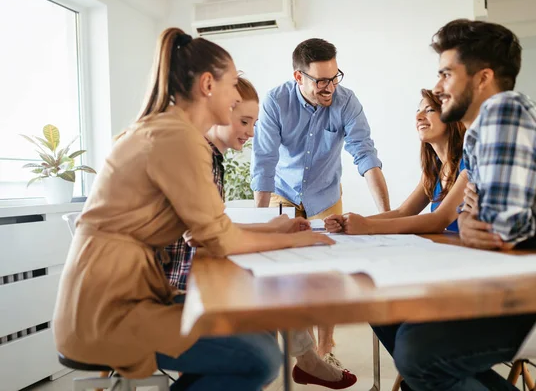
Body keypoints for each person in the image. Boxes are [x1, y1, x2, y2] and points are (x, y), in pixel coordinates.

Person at [52, 27, 334, 391]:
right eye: (233, 84)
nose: (236, 96)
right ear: (207, 85)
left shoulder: (173, 132)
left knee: (259, 332)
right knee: (259, 358)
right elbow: (217, 239)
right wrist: (297, 242)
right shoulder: (176, 136)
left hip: (128, 294)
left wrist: (281, 234)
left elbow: (211, 227)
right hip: (108, 310)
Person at [391, 19, 536, 391]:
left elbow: (499, 234)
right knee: (394, 318)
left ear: (483, 77)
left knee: (418, 352)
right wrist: (472, 218)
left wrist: (474, 220)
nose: (438, 88)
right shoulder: (477, 135)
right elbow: (477, 220)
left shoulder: (504, 110)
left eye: (445, 74)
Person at [162, 76, 357, 389]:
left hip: (180, 289)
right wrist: (286, 238)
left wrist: (269, 227)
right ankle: (305, 361)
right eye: (243, 121)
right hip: (166, 297)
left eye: (254, 123)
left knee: (267, 295)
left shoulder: (207, 156)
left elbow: (206, 228)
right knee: (263, 355)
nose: (252, 133)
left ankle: (305, 360)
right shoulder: (196, 156)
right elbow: (202, 236)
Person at [251, 37, 391, 369]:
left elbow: (365, 155)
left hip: (325, 193)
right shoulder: (275, 101)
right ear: (299, 76)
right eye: (320, 81)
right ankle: (285, 352)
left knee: (328, 272)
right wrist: (259, 222)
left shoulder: (347, 102)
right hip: (281, 192)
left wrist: (387, 218)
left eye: (334, 77)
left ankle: (325, 349)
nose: (329, 87)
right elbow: (264, 161)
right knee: (279, 269)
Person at [324, 89, 467, 235]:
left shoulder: (468, 166)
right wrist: (348, 222)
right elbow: (403, 212)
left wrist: (368, 226)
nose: (418, 116)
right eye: (418, 111)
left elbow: (439, 220)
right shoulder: (434, 168)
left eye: (429, 110)